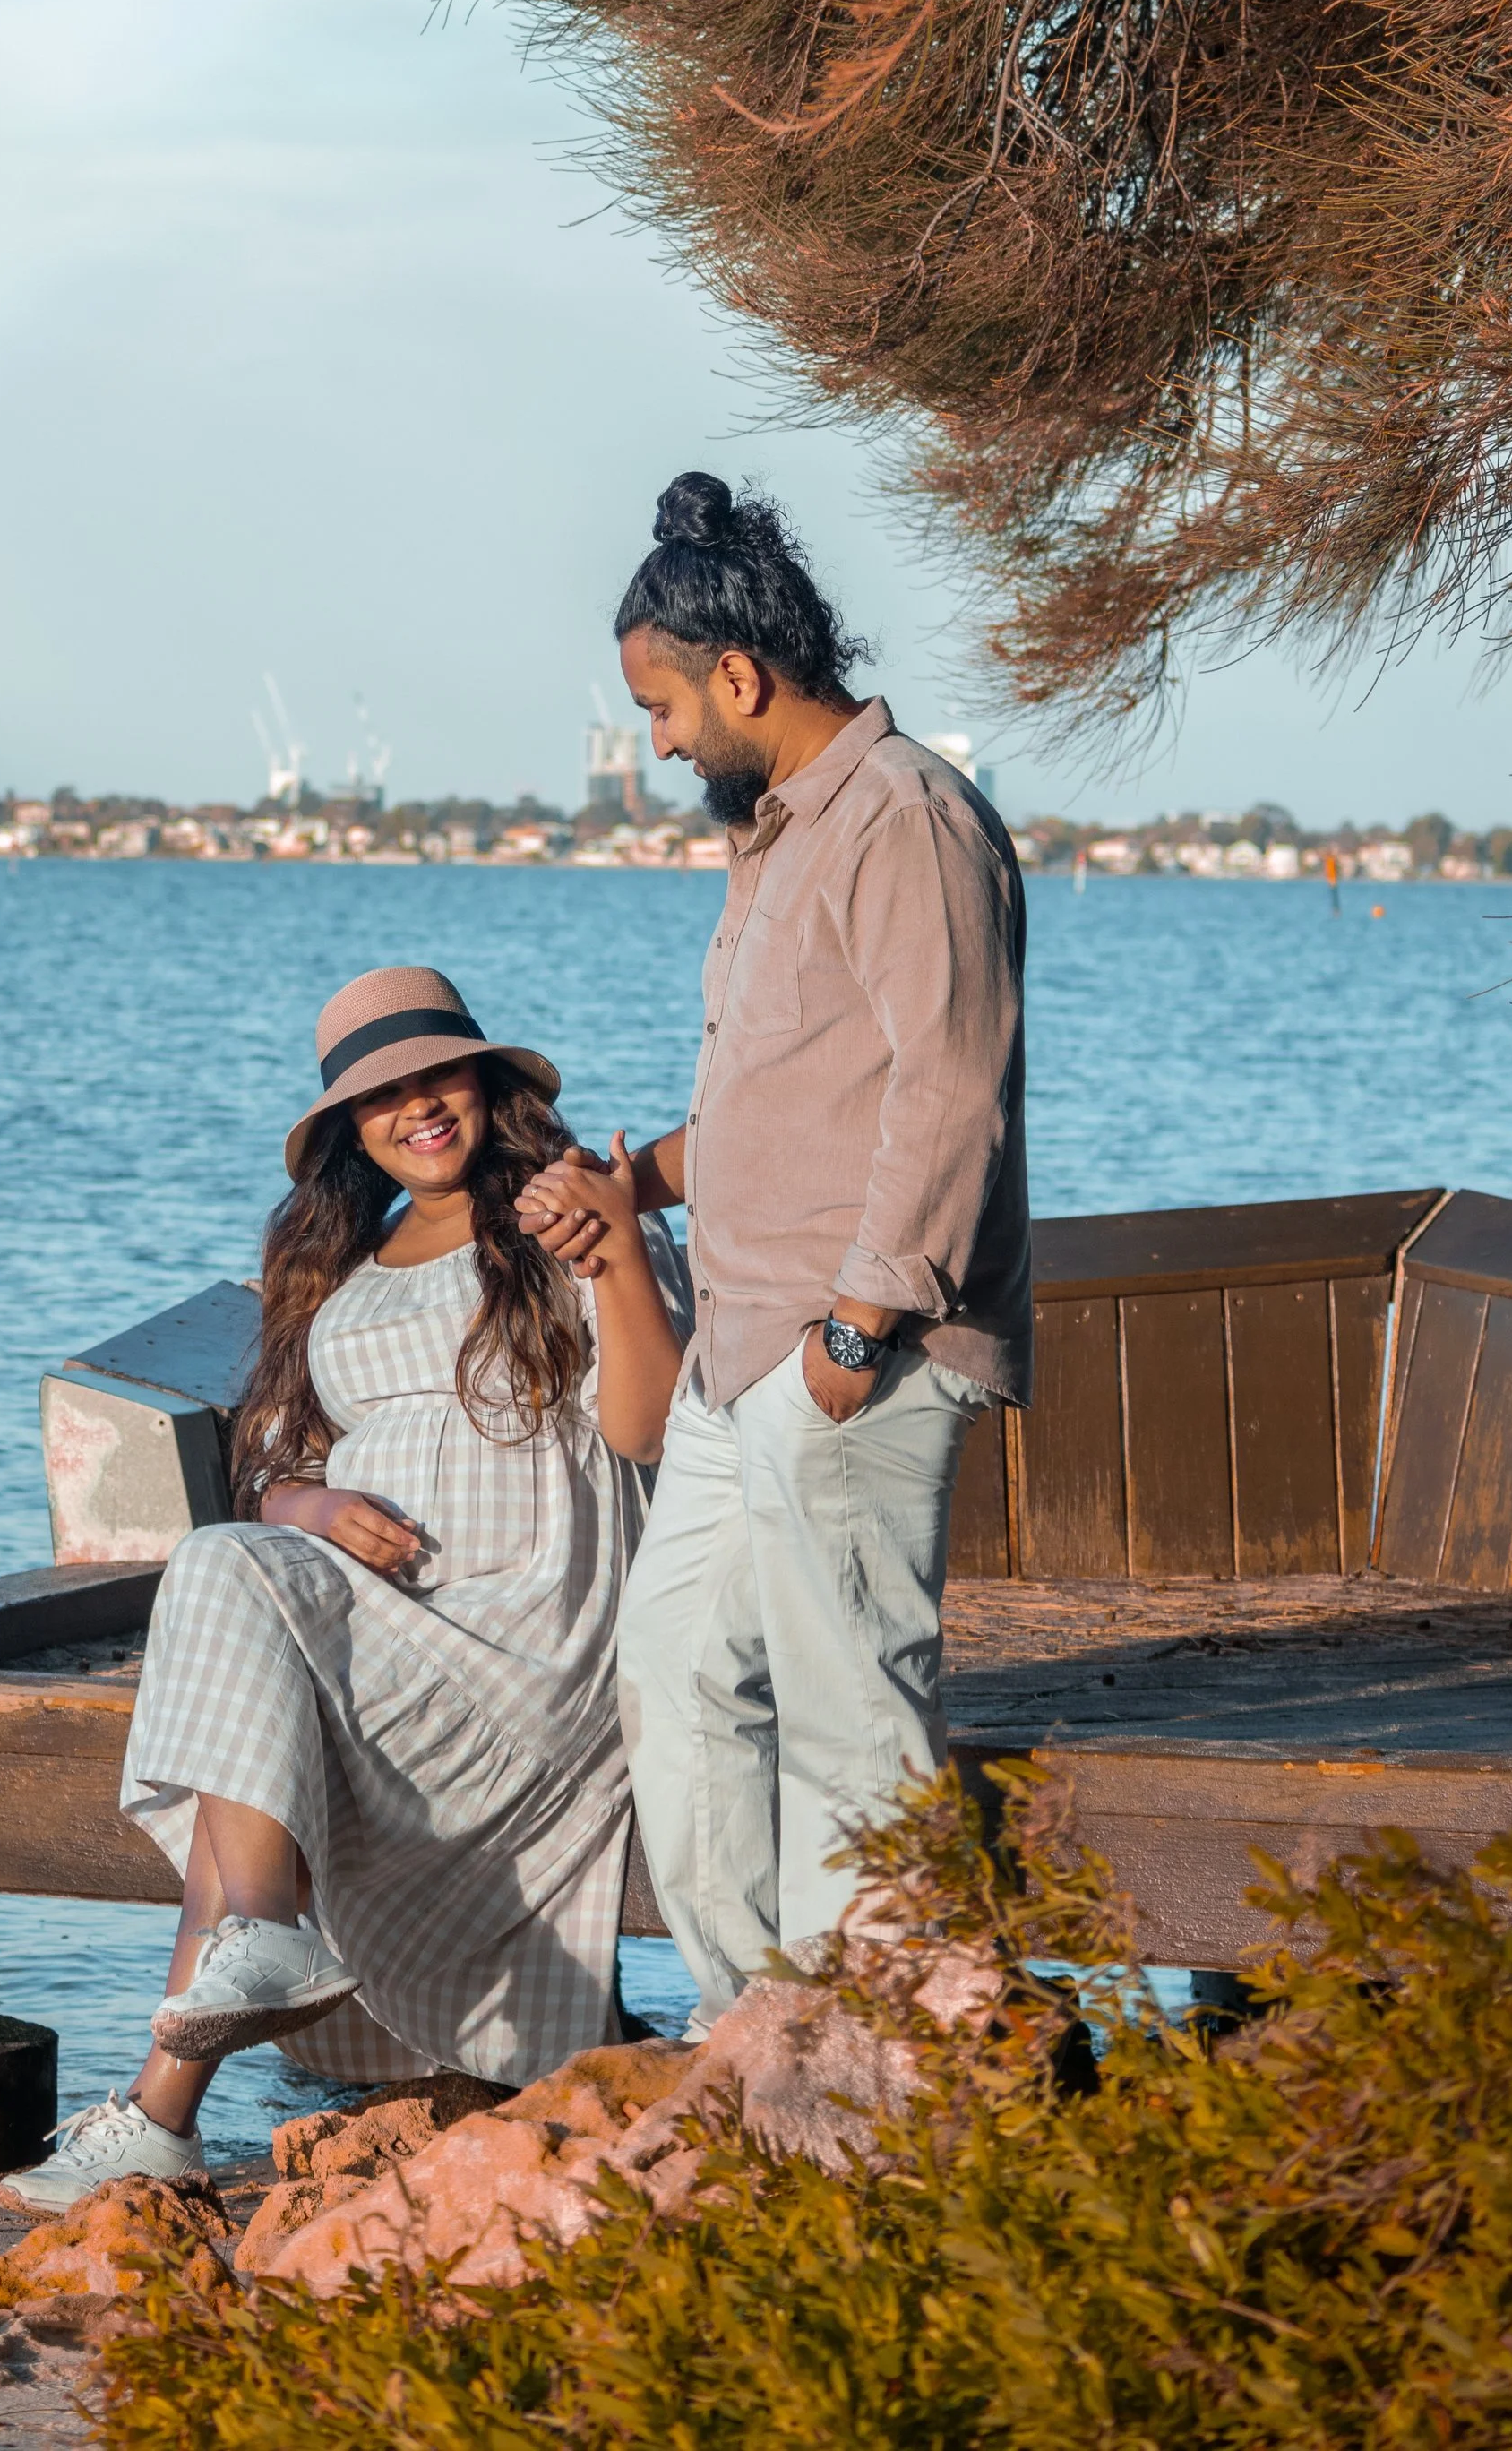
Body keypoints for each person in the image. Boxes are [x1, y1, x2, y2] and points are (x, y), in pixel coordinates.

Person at [0, 963, 689, 2212]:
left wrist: (625, 1250)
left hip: (535, 1628)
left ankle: (185, 2071)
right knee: (231, 1572)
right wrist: (309, 1506)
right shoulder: (339, 1266)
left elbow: (646, 1429)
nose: (417, 1106)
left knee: (223, 1621)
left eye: (438, 1074)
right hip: (387, 1628)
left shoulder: (566, 1217)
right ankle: (214, 2020)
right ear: (347, 1130)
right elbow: (279, 1477)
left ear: (487, 1082)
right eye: (382, 1093)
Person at [520, 473, 1030, 2028]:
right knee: (670, 1681)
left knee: (850, 1726)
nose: (658, 741)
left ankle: (874, 2095)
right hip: (741, 1365)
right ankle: (766, 2044)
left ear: (737, 676)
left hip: (852, 1363)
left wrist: (857, 1336)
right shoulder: (776, 840)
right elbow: (781, 1105)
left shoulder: (911, 820)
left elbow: (950, 1096)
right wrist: (636, 1184)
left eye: (661, 707)